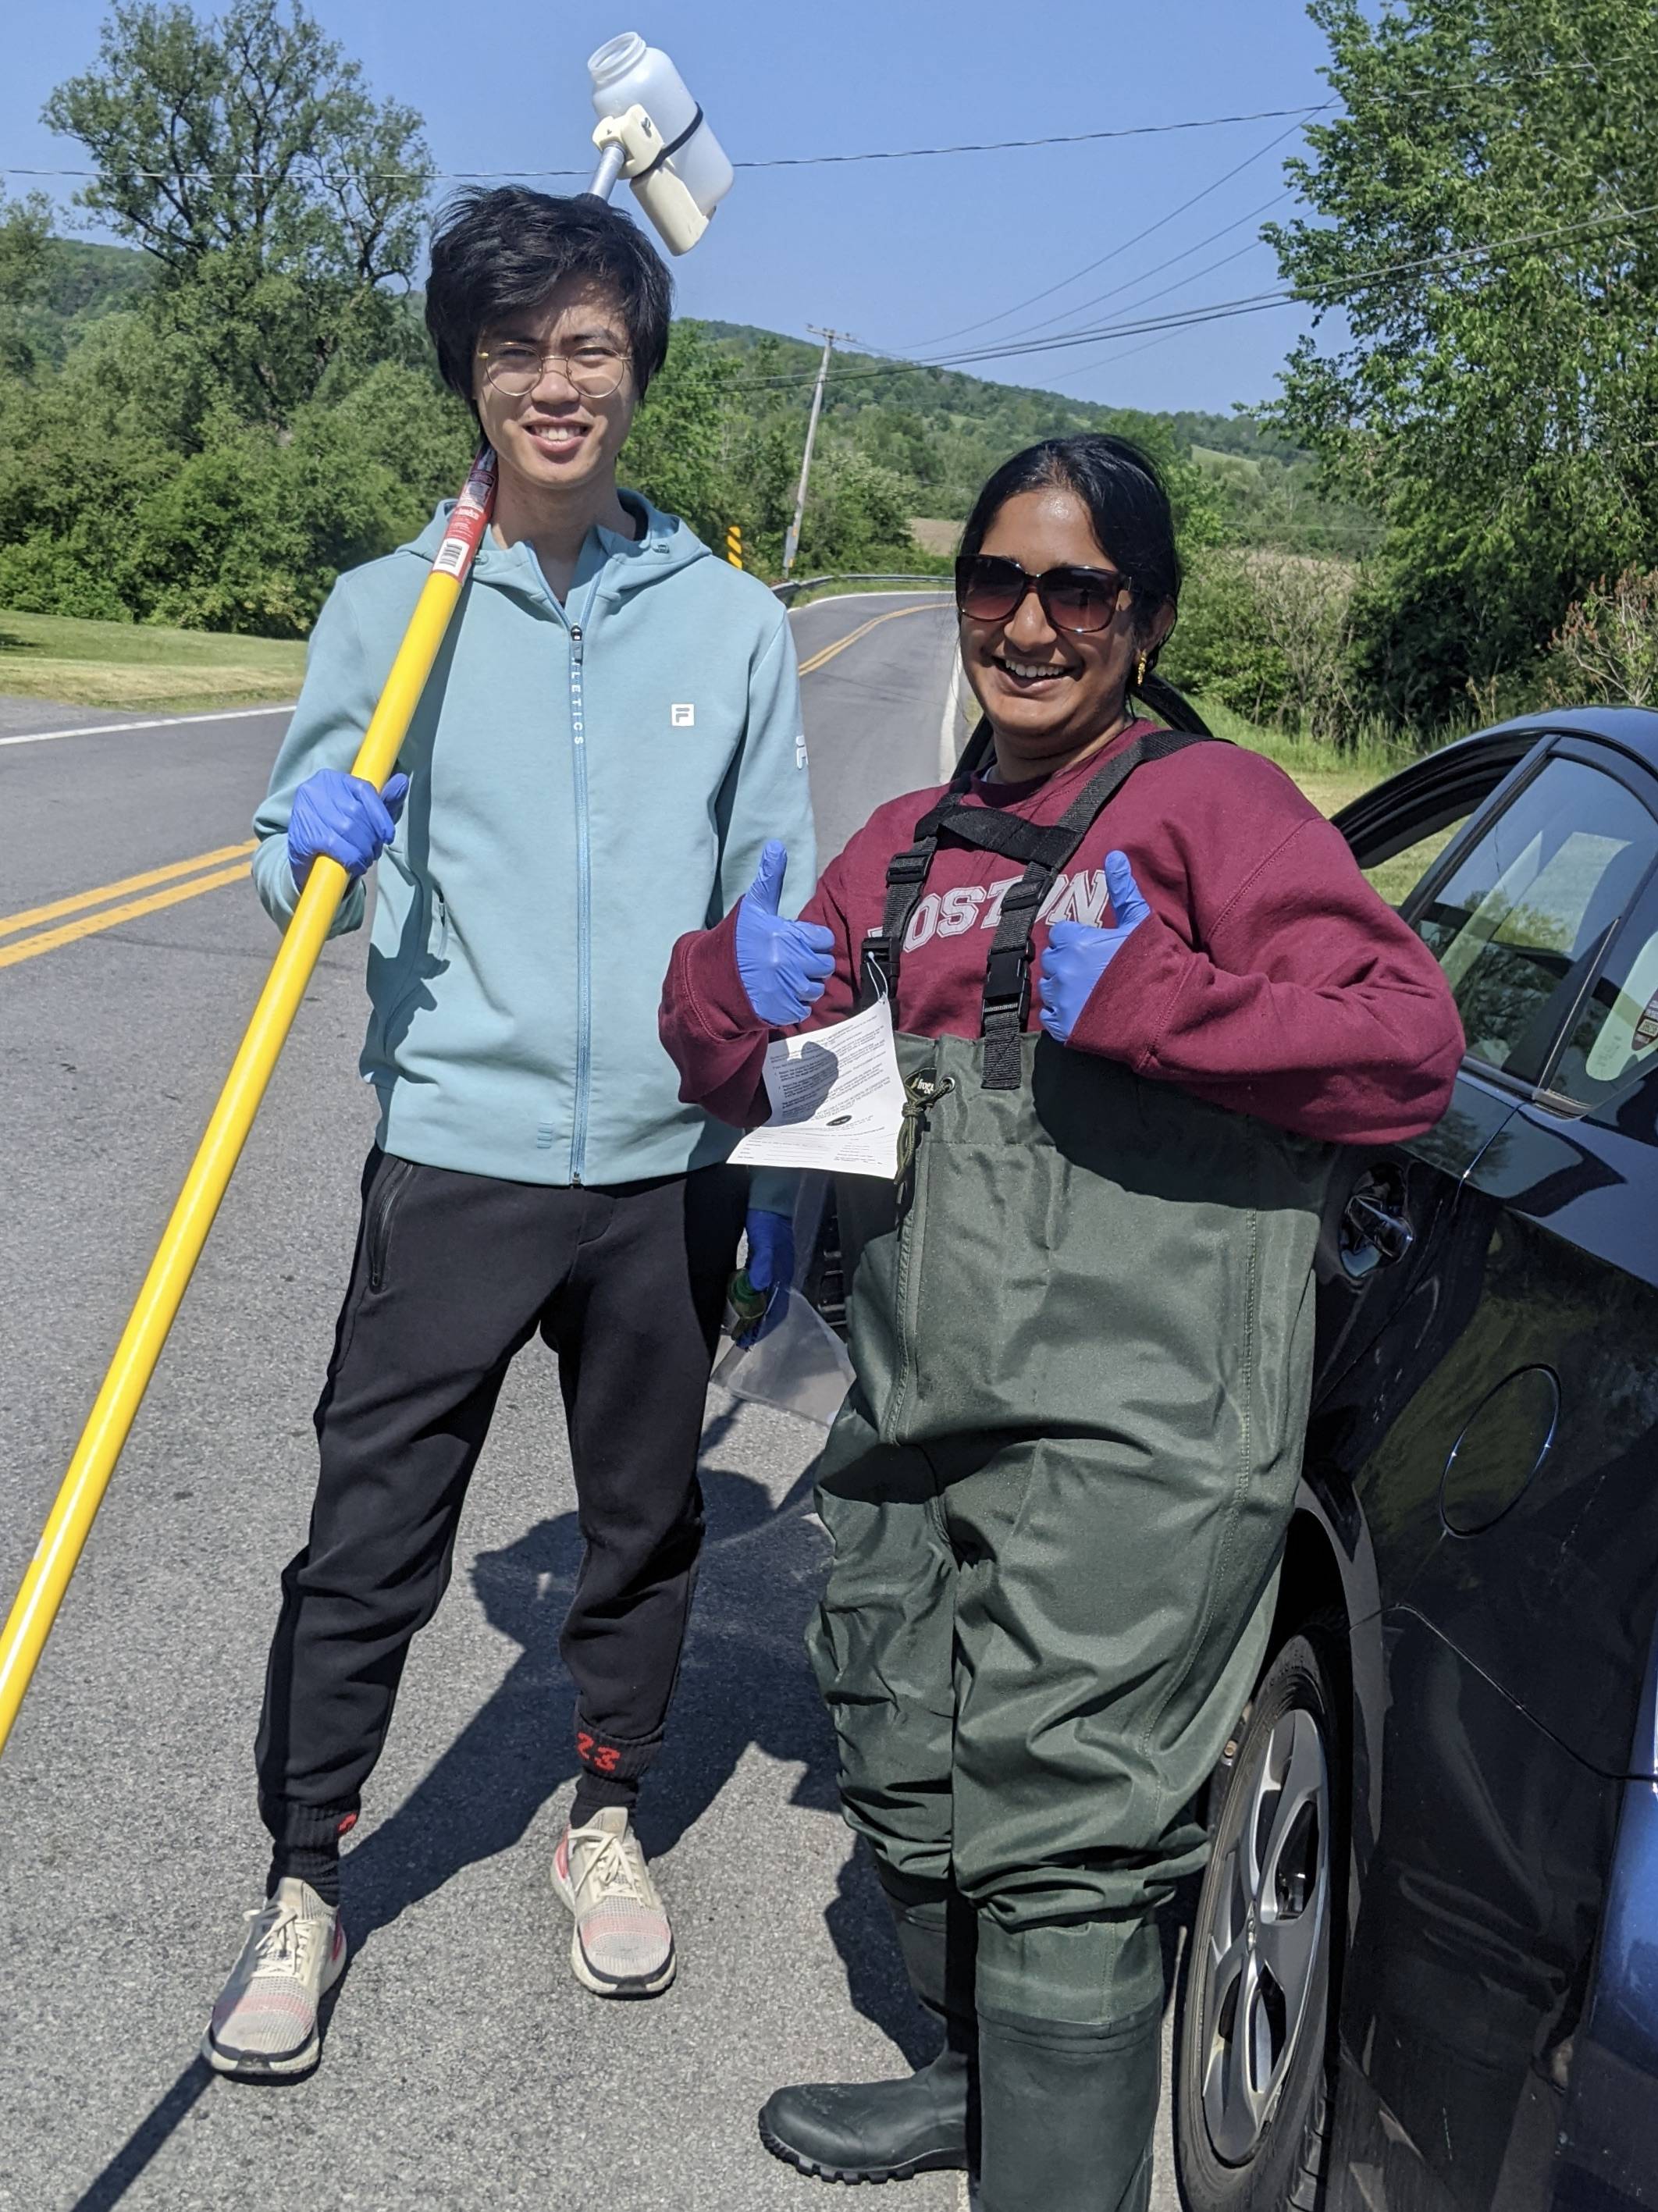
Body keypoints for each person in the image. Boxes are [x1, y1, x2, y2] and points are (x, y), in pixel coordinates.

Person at [658, 435, 1463, 2209]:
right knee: (899, 1741)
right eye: (994, 584)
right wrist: (731, 980)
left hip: (1137, 1426)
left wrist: (1165, 998)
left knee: (1067, 1834)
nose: (1027, 624)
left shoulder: (1211, 810)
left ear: (1145, 616)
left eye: (1076, 589)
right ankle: (973, 2086)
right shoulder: (909, 839)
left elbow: (1408, 1044)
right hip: (912, 1400)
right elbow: (723, 1057)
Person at [203, 186, 814, 2080]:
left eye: (590, 345)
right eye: (514, 349)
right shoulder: (392, 611)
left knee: (640, 1523)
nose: (557, 384)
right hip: (455, 1148)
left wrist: (780, 1117)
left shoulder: (731, 620)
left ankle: (605, 1811)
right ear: (467, 376)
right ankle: (305, 1878)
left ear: (636, 367)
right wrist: (297, 842)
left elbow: (765, 898)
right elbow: (288, 832)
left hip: (663, 1165)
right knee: (366, 1534)